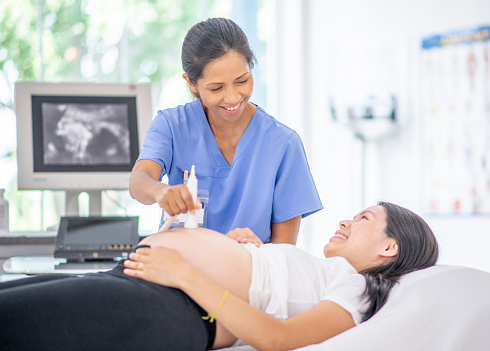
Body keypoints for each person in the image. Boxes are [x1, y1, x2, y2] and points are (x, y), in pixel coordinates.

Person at [0, 202, 438, 351]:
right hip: (145, 281)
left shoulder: (360, 287)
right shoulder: (326, 270)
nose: (345, 222)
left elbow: (277, 339)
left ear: (389, 248)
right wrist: (251, 252)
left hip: (173, 306)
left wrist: (186, 273)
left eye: (362, 219)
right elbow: (269, 288)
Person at [129, 17, 322, 245]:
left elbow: (283, 258)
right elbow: (138, 181)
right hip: (177, 273)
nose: (232, 97)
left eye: (242, 81)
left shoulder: (283, 144)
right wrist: (159, 191)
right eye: (216, 88)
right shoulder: (171, 126)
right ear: (191, 83)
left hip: (247, 276)